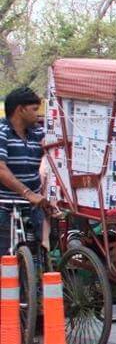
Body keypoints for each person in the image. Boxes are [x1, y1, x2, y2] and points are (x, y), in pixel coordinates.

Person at [0, 87, 49, 256]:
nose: (38, 114)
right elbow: (1, 168)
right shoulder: (2, 132)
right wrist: (27, 193)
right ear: (20, 110)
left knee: (37, 255)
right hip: (5, 205)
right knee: (6, 259)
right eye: (34, 110)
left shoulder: (37, 132)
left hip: (32, 205)